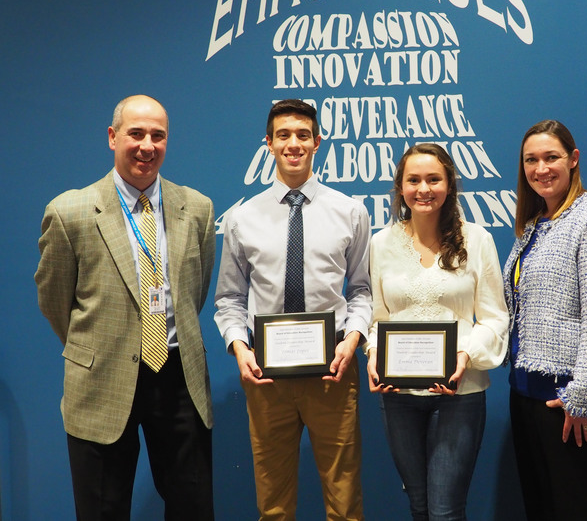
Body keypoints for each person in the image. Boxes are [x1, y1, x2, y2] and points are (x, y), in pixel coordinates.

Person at [35, 95, 216, 520]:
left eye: (158, 135)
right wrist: (98, 345)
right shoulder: (70, 212)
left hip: (178, 377)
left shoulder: (198, 210)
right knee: (103, 510)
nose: (147, 145)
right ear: (113, 137)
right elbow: (55, 301)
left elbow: (195, 291)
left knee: (193, 508)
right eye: (136, 134)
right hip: (102, 378)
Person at [214, 99, 371, 520]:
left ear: (318, 142)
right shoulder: (242, 218)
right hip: (266, 376)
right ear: (268, 143)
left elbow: (361, 291)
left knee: (344, 498)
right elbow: (229, 299)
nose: (293, 144)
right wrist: (240, 349)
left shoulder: (350, 212)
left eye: (303, 135)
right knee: (274, 502)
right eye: (283, 135)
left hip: (333, 370)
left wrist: (352, 340)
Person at [365, 143, 509, 521]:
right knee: (419, 505)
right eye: (413, 180)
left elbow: (495, 316)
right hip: (398, 394)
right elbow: (378, 319)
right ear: (400, 188)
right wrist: (374, 355)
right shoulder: (381, 243)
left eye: (433, 179)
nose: (423, 189)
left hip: (458, 392)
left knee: (444, 510)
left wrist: (466, 355)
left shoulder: (477, 240)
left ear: (449, 185)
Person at [502, 120, 587, 521]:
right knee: (542, 509)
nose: (541, 168)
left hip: (569, 399)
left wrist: (582, 394)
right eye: (531, 160)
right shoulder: (536, 223)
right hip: (526, 393)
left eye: (551, 157)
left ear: (573, 160)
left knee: (578, 510)